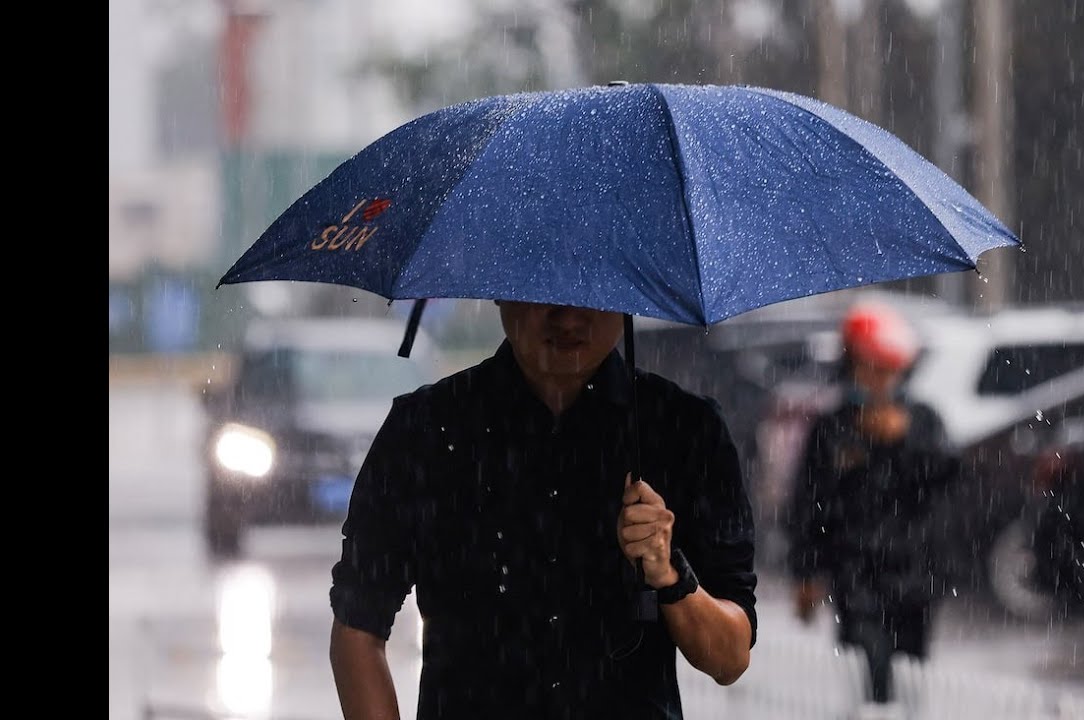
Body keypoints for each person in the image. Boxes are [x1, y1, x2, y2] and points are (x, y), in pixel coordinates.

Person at [329, 300, 758, 719]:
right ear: (500, 291)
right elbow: (358, 627)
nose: (568, 318)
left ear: (627, 296)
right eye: (543, 296)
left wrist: (669, 575)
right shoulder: (426, 428)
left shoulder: (684, 429)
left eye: (591, 293)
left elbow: (729, 658)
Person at [785, 300, 959, 707]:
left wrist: (904, 440)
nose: (877, 379)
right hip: (855, 577)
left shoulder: (924, 419)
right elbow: (809, 503)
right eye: (868, 367)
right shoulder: (832, 426)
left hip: (914, 574)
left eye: (886, 369)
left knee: (911, 673)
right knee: (868, 672)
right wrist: (806, 571)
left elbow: (947, 475)